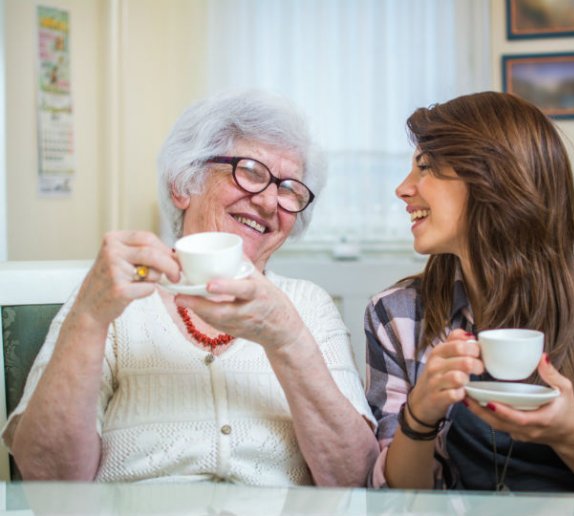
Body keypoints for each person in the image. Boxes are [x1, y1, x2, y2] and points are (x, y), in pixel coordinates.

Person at [3, 90, 378, 485]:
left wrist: (287, 337)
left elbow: (353, 478)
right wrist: (90, 316)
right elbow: (48, 477)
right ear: (183, 184)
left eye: (289, 189)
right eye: (250, 171)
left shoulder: (307, 305)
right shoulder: (111, 297)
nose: (270, 202)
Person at [365, 91, 574, 495]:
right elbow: (396, 499)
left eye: (425, 168)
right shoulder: (395, 315)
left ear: (492, 178)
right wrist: (420, 415)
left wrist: (571, 434)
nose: (403, 189)